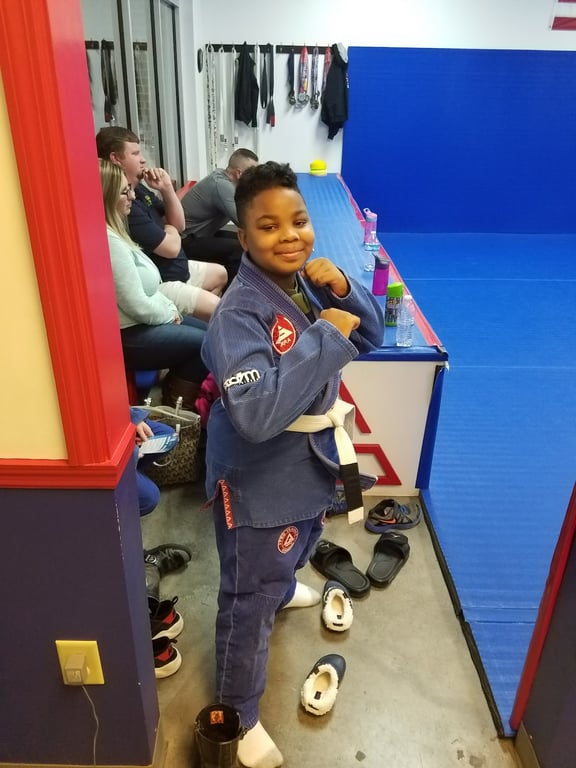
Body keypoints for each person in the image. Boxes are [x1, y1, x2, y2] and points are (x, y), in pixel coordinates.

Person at [201, 161, 385, 768]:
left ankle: (281, 589)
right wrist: (326, 335)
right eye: (269, 226)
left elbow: (370, 337)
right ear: (243, 236)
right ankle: (238, 713)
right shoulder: (239, 314)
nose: (289, 235)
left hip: (307, 464)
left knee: (300, 547)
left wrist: (344, 292)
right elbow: (255, 414)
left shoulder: (304, 280)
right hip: (259, 479)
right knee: (247, 596)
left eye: (299, 221)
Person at [98, 158, 208, 409]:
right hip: (130, 333)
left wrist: (169, 310)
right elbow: (136, 304)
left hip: (145, 320)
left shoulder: (117, 231)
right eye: (124, 192)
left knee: (210, 334)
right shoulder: (109, 242)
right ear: (107, 196)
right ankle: (175, 408)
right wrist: (169, 314)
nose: (132, 197)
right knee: (203, 344)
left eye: (130, 189)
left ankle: (177, 398)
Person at [96, 127, 227, 323]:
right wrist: (170, 228)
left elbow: (179, 225)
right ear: (115, 158)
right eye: (135, 154)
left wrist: (166, 189)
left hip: (178, 267)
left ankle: (197, 321)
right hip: (162, 279)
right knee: (219, 308)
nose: (143, 160)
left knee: (221, 274)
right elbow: (171, 248)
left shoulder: (139, 191)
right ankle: (196, 322)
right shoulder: (123, 205)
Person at [180, 149, 259, 282]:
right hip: (187, 240)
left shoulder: (226, 180)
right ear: (239, 173)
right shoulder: (222, 186)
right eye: (253, 173)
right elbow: (244, 221)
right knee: (241, 248)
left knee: (243, 239)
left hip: (203, 234)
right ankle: (232, 290)